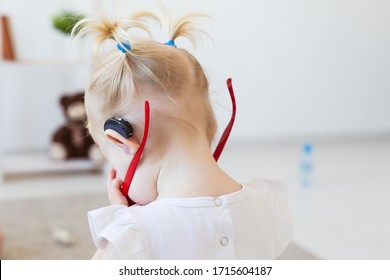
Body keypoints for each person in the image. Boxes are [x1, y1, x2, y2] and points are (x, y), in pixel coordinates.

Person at [73, 10, 293, 259]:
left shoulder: (133, 235)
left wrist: (121, 224)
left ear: (122, 141)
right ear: (208, 125)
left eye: (117, 170)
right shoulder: (266, 206)